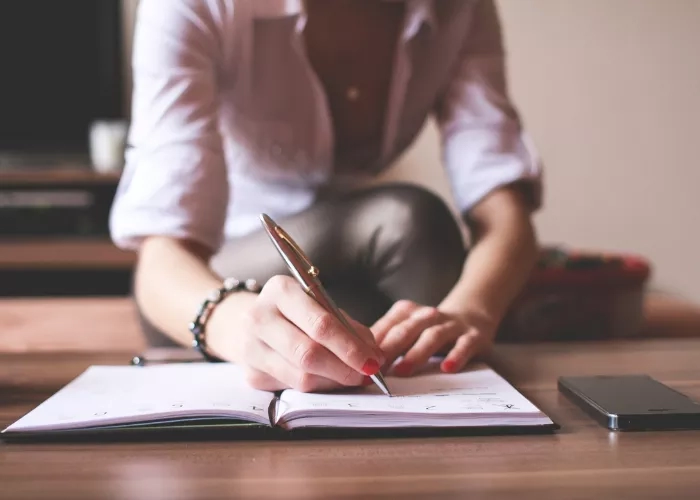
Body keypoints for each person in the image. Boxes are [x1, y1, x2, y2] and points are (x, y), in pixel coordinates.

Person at [110, 0, 543, 393]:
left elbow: (504, 212)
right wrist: (242, 327)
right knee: (409, 223)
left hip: (357, 280)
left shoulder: (458, 10)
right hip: (208, 298)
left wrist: (473, 312)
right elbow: (161, 262)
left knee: (403, 308)